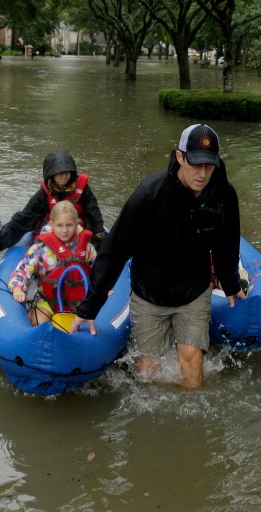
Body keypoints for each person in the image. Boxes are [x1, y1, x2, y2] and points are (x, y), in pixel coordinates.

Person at [69, 123, 247, 388]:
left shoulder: (223, 195)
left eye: (209, 165)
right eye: (195, 164)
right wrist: (89, 307)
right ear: (179, 157)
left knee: (192, 369)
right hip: (149, 293)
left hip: (193, 292)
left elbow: (227, 241)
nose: (202, 173)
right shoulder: (149, 195)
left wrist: (231, 283)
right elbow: (115, 250)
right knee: (147, 377)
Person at [0, 149, 106, 252]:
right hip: (53, 233)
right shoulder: (43, 194)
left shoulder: (83, 189)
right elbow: (23, 220)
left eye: (66, 172)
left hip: (77, 232)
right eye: (59, 173)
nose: (64, 176)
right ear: (51, 174)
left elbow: (94, 215)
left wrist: (99, 238)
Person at [8, 201, 97, 326]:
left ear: (77, 224)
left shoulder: (87, 249)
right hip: (48, 302)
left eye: (69, 225)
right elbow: (21, 271)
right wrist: (17, 289)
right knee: (39, 322)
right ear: (52, 225)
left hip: (80, 304)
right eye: (59, 225)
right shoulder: (39, 249)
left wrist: (103, 288)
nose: (64, 230)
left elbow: (98, 272)